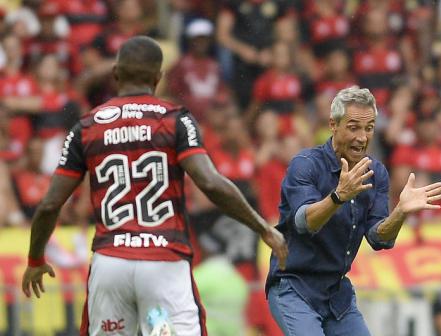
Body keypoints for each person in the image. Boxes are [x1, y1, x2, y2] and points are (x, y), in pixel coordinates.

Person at [21, 35, 288, 336]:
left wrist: (35, 259)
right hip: (164, 258)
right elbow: (210, 184)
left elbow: (49, 204)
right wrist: (263, 228)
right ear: (158, 78)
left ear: (115, 75)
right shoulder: (175, 120)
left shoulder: (87, 126)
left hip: (111, 263)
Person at [266, 86, 441, 335]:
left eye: (369, 128)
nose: (362, 137)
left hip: (336, 292)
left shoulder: (377, 173)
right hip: (294, 287)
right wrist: (339, 196)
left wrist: (400, 213)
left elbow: (378, 239)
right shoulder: (305, 164)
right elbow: (304, 223)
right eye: (353, 127)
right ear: (333, 125)